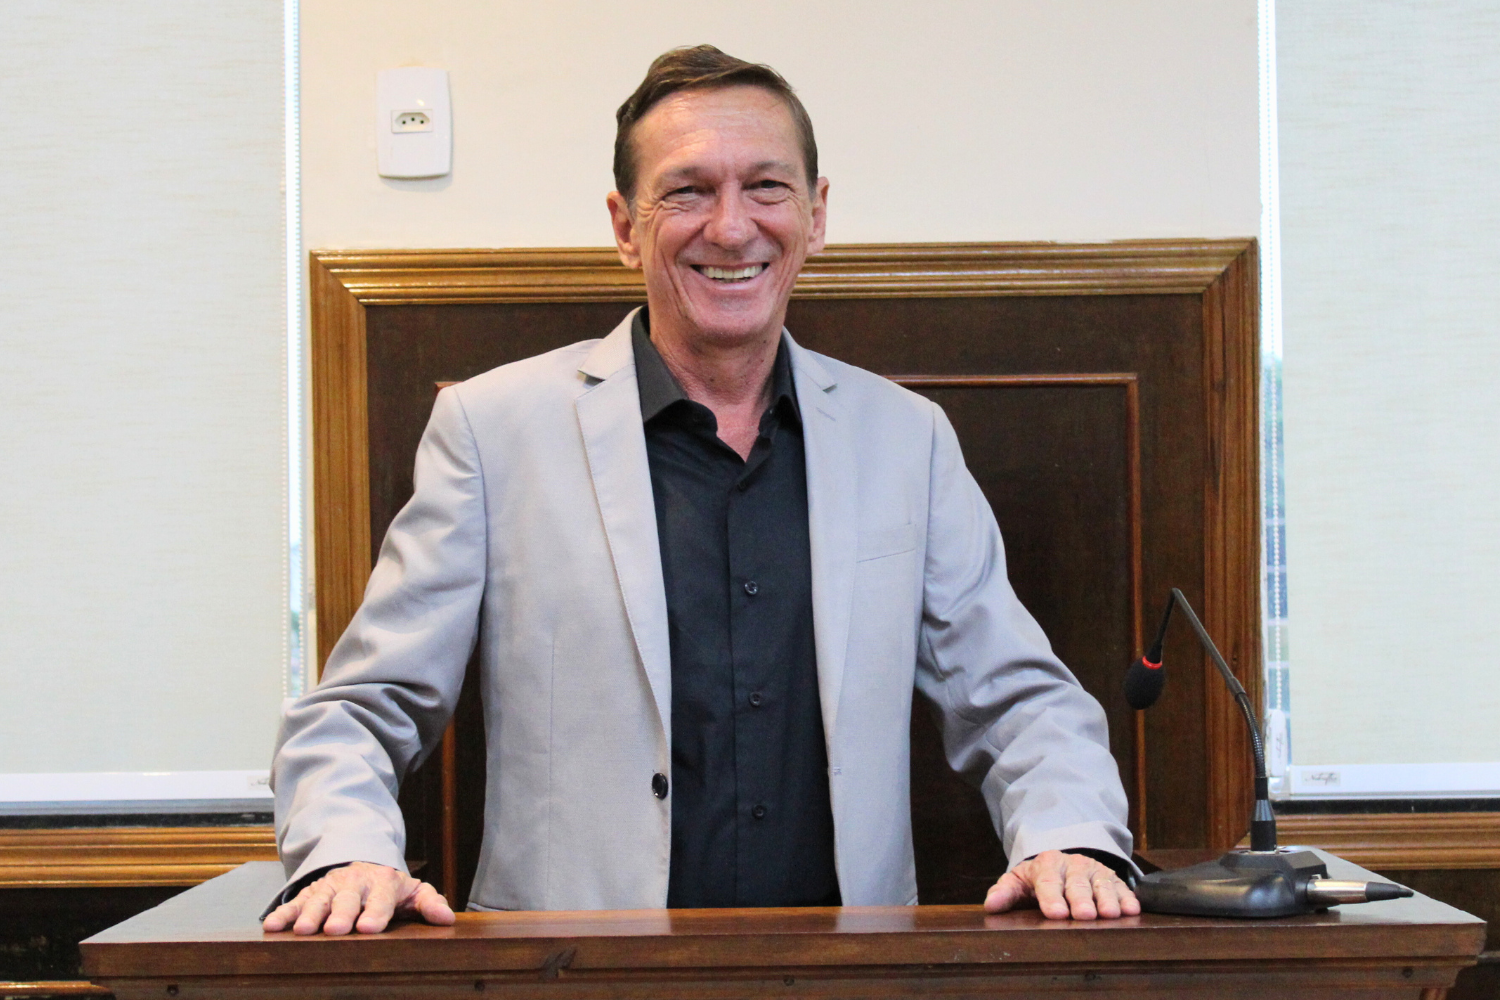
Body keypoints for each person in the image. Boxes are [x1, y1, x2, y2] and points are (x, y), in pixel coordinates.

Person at [264, 45, 1139, 937]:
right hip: (573, 974)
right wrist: (347, 851)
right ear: (624, 227)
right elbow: (360, 708)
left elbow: (1017, 699)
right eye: (687, 191)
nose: (730, 228)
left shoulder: (906, 439)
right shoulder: (491, 433)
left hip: (849, 973)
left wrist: (1069, 835)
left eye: (766, 187)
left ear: (816, 215)